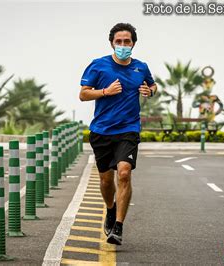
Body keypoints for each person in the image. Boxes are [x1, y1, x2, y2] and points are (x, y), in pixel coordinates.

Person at [79, 23, 157, 245]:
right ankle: (110, 209)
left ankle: (119, 227)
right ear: (112, 43)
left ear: (133, 43)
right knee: (105, 181)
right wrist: (105, 92)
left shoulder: (141, 67)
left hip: (128, 129)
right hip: (101, 131)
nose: (123, 45)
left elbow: (153, 85)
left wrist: (149, 91)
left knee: (123, 173)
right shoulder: (98, 66)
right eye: (119, 41)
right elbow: (83, 95)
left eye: (127, 41)